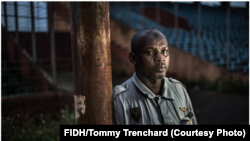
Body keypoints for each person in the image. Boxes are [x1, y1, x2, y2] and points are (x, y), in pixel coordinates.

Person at [113, 28, 197, 125]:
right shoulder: (121, 99)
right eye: (150, 52)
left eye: (164, 51)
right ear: (133, 58)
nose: (160, 58)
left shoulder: (179, 89)